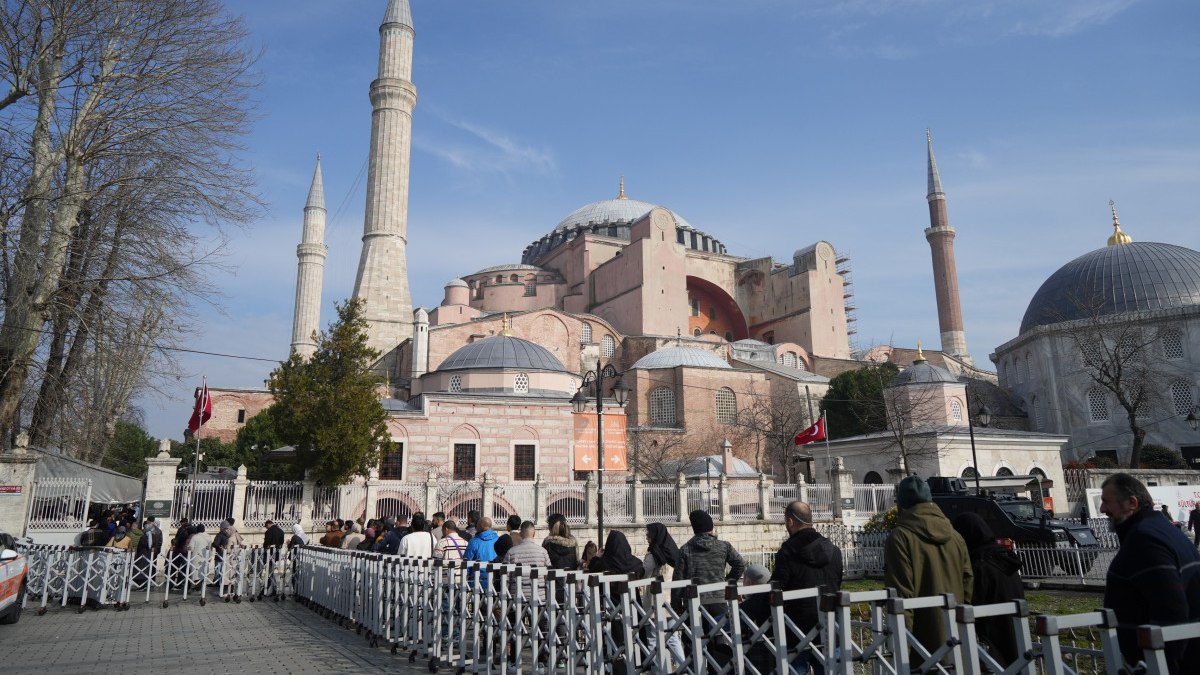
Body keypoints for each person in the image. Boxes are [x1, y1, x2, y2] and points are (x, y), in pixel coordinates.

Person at [1100, 473, 1200, 674]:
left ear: (1131, 503)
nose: (1102, 509)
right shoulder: (1162, 530)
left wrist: (1163, 664)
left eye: (1106, 502)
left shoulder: (1144, 539)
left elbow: (1171, 607)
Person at [884, 475, 973, 662]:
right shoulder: (956, 537)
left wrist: (901, 649)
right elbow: (967, 585)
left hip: (922, 644)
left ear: (901, 505)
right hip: (957, 639)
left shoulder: (900, 537)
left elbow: (901, 595)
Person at [772, 500, 843, 675]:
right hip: (830, 625)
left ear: (790, 522)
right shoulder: (834, 551)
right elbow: (837, 583)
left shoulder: (787, 553)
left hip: (796, 629)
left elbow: (777, 588)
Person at [952, 512, 1025, 666]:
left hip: (992, 637)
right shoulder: (1005, 559)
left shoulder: (980, 565)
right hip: (1016, 629)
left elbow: (972, 604)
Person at [672, 510, 746, 620]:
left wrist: (676, 605)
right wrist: (727, 582)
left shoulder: (685, 549)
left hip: (694, 601)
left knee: (695, 636)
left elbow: (678, 579)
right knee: (720, 634)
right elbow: (740, 564)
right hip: (719, 600)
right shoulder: (724, 546)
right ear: (710, 527)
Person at [641, 523, 684, 667]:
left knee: (653, 639)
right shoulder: (674, 552)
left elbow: (643, 573)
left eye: (648, 535)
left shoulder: (654, 554)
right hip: (671, 601)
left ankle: (657, 670)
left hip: (655, 602)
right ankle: (682, 666)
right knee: (672, 638)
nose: (647, 538)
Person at [463, 517, 499, 589]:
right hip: (495, 579)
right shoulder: (498, 539)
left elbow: (466, 562)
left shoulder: (474, 542)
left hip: (478, 581)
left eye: (477, 525)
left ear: (481, 526)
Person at [262, 520, 285, 597]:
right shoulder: (281, 531)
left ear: (268, 524)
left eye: (266, 526)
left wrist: (265, 547)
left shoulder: (268, 532)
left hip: (270, 554)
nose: (266, 528)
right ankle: (273, 588)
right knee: (271, 571)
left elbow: (266, 543)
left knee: (270, 571)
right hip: (277, 553)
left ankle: (270, 588)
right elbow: (282, 542)